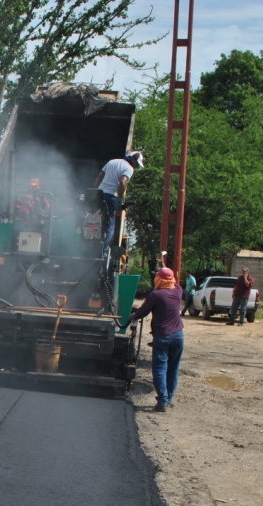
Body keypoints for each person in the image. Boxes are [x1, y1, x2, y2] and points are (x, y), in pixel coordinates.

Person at [126, 266, 184, 412]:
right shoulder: (178, 291)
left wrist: (133, 315)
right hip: (178, 336)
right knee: (173, 369)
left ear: (159, 279)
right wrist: (166, 270)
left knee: (160, 369)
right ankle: (168, 398)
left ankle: (162, 401)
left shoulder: (156, 295)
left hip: (163, 337)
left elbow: (142, 313)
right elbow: (174, 282)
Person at [93, 151, 144, 253]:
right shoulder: (129, 168)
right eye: (137, 164)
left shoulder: (112, 162)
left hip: (100, 195)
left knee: (96, 219)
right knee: (111, 224)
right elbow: (122, 181)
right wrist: (120, 199)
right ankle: (103, 250)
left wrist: (94, 191)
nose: (136, 167)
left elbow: (99, 176)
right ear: (132, 159)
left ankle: (92, 243)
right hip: (111, 196)